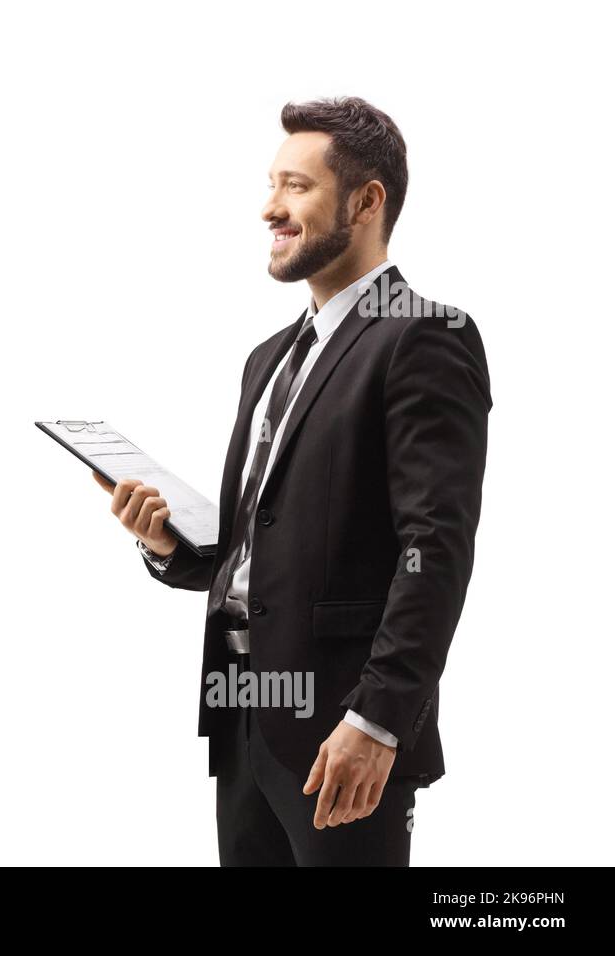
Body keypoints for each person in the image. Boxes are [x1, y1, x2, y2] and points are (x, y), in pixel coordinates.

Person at [94, 96, 490, 865]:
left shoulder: (425, 338)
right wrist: (169, 547)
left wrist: (378, 721)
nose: (270, 207)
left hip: (342, 727)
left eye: (296, 186)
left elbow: (435, 548)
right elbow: (261, 546)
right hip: (246, 715)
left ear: (367, 201)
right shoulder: (269, 356)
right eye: (272, 183)